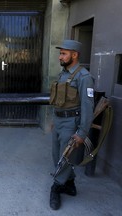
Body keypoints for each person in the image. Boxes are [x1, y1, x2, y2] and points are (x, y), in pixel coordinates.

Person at [49, 40, 95, 210]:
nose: (60, 57)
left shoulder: (84, 77)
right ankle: (70, 184)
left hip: (71, 123)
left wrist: (82, 133)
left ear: (74, 55)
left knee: (64, 158)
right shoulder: (64, 74)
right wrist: (55, 121)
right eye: (60, 53)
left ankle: (57, 186)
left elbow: (87, 107)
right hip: (59, 120)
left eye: (63, 53)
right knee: (57, 155)